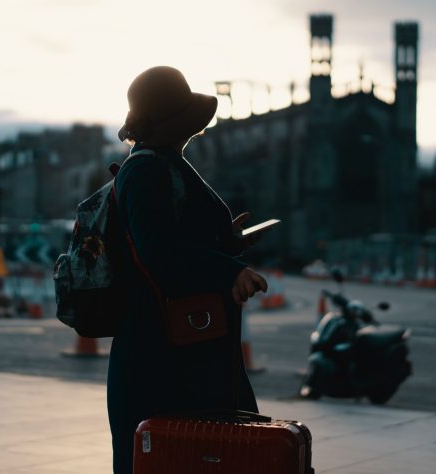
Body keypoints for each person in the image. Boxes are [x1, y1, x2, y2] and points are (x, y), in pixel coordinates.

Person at [109, 66, 269, 474]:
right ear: (172, 121)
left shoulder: (164, 163)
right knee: (170, 456)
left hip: (186, 342)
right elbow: (159, 252)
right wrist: (227, 270)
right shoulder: (146, 171)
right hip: (164, 353)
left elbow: (177, 239)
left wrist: (227, 242)